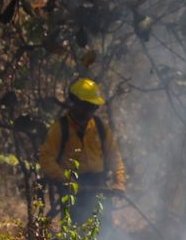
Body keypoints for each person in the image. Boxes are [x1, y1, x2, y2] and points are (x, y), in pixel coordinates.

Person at [38, 78, 126, 225]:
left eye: (93, 107)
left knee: (103, 230)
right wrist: (67, 181)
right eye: (85, 106)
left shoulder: (100, 127)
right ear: (74, 103)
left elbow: (114, 157)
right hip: (72, 191)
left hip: (99, 186)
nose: (89, 111)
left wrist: (119, 182)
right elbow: (46, 159)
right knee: (75, 235)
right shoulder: (61, 128)